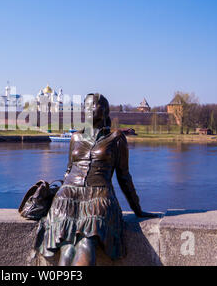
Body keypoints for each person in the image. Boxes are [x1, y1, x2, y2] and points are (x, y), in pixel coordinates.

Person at [35, 93, 157, 266]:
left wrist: (137, 209)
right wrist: (56, 193)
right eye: (86, 106)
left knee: (86, 242)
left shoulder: (116, 138)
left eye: (93, 105)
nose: (88, 109)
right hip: (68, 196)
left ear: (105, 109)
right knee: (67, 246)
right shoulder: (76, 137)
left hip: (99, 195)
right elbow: (68, 170)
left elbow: (124, 176)